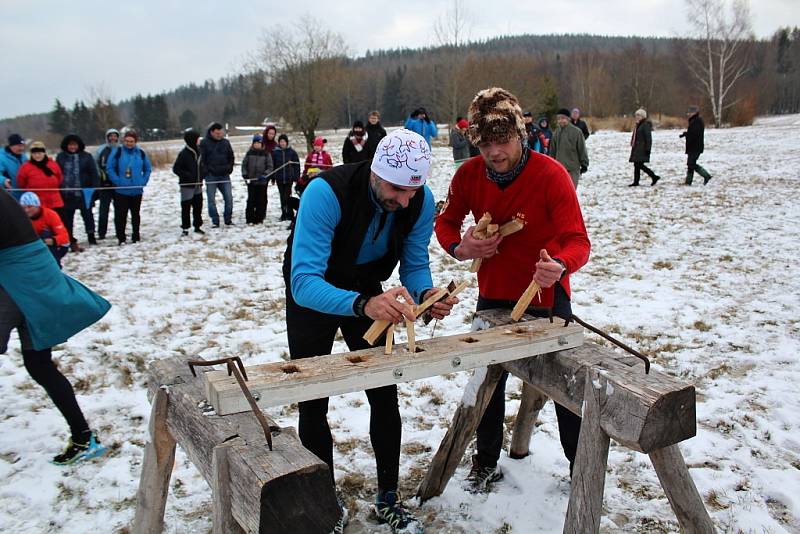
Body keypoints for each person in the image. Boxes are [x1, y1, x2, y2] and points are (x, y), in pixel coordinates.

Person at [284, 128, 456, 533]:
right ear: (377, 174)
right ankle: (323, 504)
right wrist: (362, 304)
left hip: (366, 288)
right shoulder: (325, 193)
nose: (404, 201)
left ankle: (388, 497)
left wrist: (427, 293)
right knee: (313, 399)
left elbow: (414, 265)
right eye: (397, 190)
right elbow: (303, 282)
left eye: (413, 191)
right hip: (314, 291)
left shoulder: (418, 201)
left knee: (384, 388)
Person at [435, 87, 590, 493]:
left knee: (566, 385)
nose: (495, 152)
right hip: (494, 295)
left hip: (547, 296)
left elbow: (578, 240)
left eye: (502, 141)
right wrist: (462, 247)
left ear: (520, 134)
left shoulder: (551, 174)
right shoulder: (468, 175)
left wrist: (559, 266)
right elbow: (446, 223)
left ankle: (580, 467)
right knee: (487, 382)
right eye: (485, 144)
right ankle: (485, 461)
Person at [0, 187, 110, 464]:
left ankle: (84, 437)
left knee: (39, 364)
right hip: (35, 275)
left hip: (15, 282)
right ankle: (84, 436)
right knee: (39, 364)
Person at [106, 130, 151, 245]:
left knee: (136, 214)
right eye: (127, 141)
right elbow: (110, 168)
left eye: (131, 141)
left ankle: (136, 235)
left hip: (137, 189)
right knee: (121, 215)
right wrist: (117, 181)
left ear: (135, 142)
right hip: (122, 190)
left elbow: (147, 169)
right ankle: (121, 237)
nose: (129, 143)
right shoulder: (118, 152)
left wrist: (143, 181)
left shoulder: (140, 153)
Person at [55, 134, 100, 249]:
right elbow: (57, 173)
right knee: (67, 218)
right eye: (70, 145)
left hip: (84, 193)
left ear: (79, 145)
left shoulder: (87, 157)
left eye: (74, 144)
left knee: (88, 216)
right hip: (67, 194)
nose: (72, 147)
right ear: (66, 146)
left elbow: (94, 173)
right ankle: (69, 238)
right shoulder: (60, 157)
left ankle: (91, 236)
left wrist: (95, 188)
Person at [19, 192, 70, 267]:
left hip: (56, 245)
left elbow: (64, 237)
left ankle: (54, 267)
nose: (26, 210)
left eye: (30, 207)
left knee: (46, 234)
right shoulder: (21, 217)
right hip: (34, 244)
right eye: (23, 207)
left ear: (37, 206)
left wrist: (51, 241)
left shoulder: (51, 215)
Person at [200, 122, 235, 227]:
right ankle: (215, 221)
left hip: (224, 175)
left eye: (220, 133)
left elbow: (231, 156)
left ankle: (228, 219)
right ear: (211, 132)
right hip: (211, 176)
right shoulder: (204, 143)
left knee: (229, 198)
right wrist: (206, 171)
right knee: (211, 200)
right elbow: (202, 160)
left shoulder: (226, 142)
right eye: (217, 133)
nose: (219, 135)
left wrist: (230, 168)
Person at [172, 129, 205, 236]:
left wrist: (203, 173)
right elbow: (176, 169)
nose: (199, 140)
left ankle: (197, 226)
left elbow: (203, 165)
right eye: (197, 139)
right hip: (187, 186)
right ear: (192, 140)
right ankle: (185, 228)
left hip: (198, 185)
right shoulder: (184, 154)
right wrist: (187, 175)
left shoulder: (200, 151)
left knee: (198, 206)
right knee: (186, 207)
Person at [16, 141, 64, 210]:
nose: (37, 156)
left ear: (44, 153)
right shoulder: (26, 167)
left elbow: (60, 178)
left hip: (55, 202)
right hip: (35, 203)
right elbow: (21, 183)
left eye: (39, 153)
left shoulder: (53, 164)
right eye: (34, 153)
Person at [550, 108, 589, 189]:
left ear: (568, 119)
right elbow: (552, 151)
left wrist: (584, 164)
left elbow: (582, 149)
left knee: (571, 191)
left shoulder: (577, 132)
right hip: (559, 168)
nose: (561, 121)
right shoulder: (556, 133)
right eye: (559, 119)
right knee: (560, 192)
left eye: (563, 118)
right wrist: (551, 164)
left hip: (573, 169)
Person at [93, 129, 120, 240]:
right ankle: (101, 233)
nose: (113, 138)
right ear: (107, 137)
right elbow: (95, 164)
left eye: (115, 136)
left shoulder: (121, 149)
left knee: (119, 210)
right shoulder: (101, 150)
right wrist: (100, 176)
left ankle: (119, 231)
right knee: (104, 210)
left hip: (118, 185)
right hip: (104, 185)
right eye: (111, 136)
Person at [241, 134, 274, 224]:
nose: (257, 145)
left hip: (262, 182)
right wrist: (245, 175)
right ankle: (249, 218)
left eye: (259, 143)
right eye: (255, 143)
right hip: (251, 181)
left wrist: (265, 175)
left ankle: (259, 218)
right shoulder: (249, 153)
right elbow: (244, 165)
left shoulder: (266, 154)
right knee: (251, 200)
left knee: (261, 200)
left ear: (262, 144)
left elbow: (270, 167)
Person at [680, 105, 712, 186]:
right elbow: (693, 133)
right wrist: (686, 134)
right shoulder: (694, 121)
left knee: (691, 163)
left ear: (694, 113)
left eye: (690, 112)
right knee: (690, 164)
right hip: (693, 147)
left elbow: (695, 134)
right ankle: (688, 182)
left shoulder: (697, 121)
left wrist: (688, 135)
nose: (688, 114)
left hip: (695, 147)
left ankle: (706, 175)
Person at [629, 108, 661, 187]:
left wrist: (647, 149)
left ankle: (654, 176)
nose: (637, 117)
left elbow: (648, 138)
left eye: (638, 115)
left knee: (639, 165)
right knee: (637, 165)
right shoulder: (638, 125)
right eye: (636, 115)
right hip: (637, 148)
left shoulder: (645, 125)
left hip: (642, 149)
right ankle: (636, 181)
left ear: (643, 116)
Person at [272, 134, 301, 222]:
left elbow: (296, 165)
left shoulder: (292, 152)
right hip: (279, 178)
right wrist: (273, 177)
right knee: (282, 196)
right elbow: (273, 166)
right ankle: (283, 213)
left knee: (287, 196)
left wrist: (296, 177)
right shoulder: (275, 152)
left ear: (286, 142)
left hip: (289, 178)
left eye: (284, 142)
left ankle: (289, 213)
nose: (282, 143)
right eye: (281, 142)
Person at [1, 134, 28, 200]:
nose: (21, 148)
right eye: (19, 146)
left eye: (22, 146)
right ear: (11, 146)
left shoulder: (24, 157)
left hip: (24, 195)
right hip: (9, 196)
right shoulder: (1, 157)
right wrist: (3, 180)